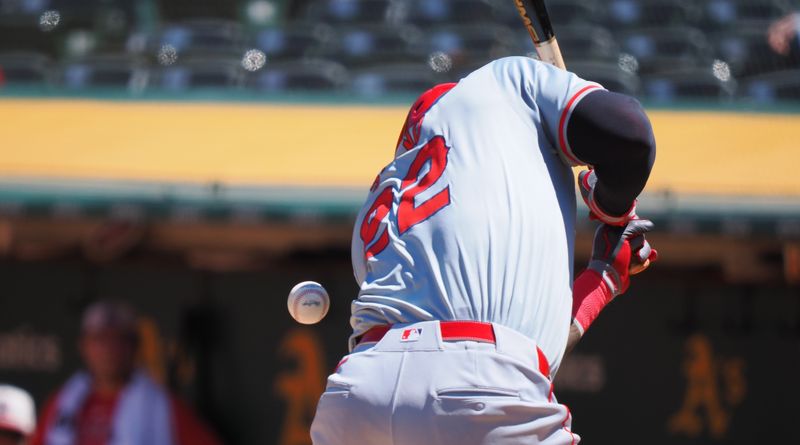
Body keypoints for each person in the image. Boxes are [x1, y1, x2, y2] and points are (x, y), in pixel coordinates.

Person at [311, 56, 657, 445]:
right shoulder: (501, 83)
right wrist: (610, 201)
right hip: (479, 388)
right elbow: (630, 135)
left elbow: (516, 356)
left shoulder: (380, 215)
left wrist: (600, 281)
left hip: (356, 396)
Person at [30, 301, 222, 445]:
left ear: (134, 347)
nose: (109, 349)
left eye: (119, 340)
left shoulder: (161, 405)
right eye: (100, 340)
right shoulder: (62, 401)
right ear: (83, 346)